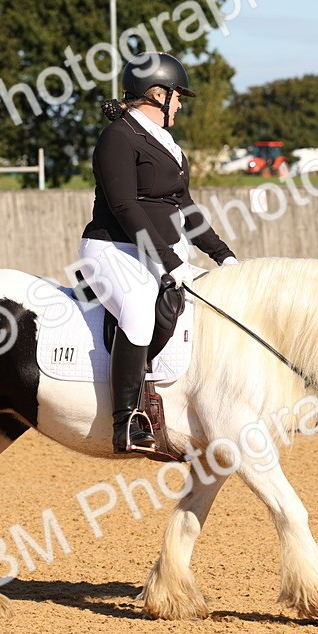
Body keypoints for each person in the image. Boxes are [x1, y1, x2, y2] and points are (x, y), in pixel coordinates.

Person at [79, 51, 238, 455]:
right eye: (178, 96)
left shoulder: (169, 147)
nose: (181, 104)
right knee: (137, 306)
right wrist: (170, 261)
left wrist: (223, 257)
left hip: (159, 250)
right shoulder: (118, 138)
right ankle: (127, 420)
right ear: (157, 94)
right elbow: (124, 207)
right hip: (112, 250)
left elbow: (187, 207)